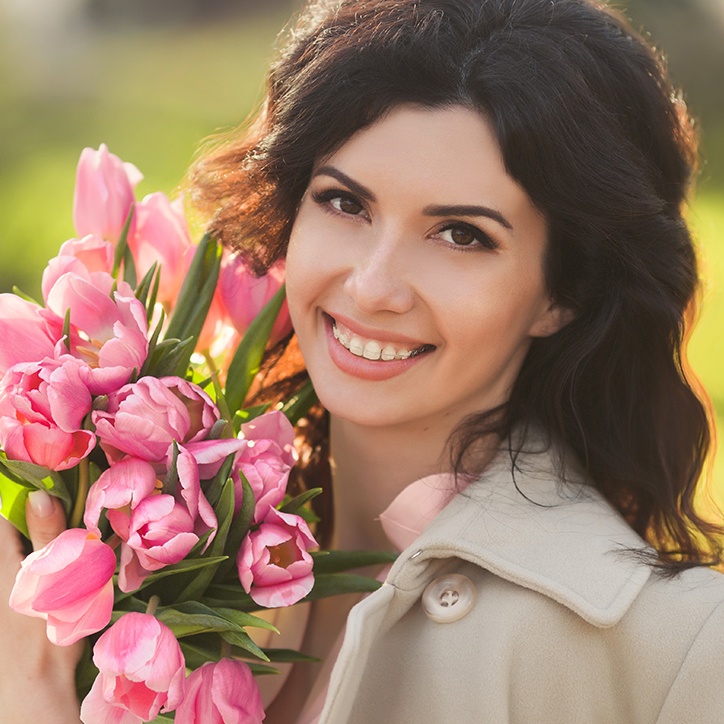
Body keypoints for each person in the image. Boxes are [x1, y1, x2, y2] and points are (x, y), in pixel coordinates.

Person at [2, 0, 724, 721]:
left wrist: (33, 702)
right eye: (345, 202)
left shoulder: (677, 650)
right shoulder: (144, 549)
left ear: (563, 292)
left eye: (462, 236)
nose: (373, 286)